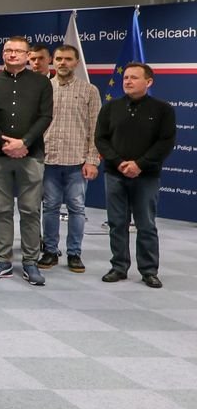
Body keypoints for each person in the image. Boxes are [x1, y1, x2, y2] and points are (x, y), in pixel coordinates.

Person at [0, 35, 53, 286]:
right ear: (3, 54)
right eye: (8, 50)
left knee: (30, 210)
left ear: (27, 55)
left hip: (31, 154)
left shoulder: (42, 82)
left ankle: (30, 262)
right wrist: (3, 142)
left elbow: (45, 116)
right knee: (2, 209)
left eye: (18, 51)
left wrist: (24, 142)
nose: (12, 54)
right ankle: (3, 260)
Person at [95, 63, 176, 289]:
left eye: (134, 78)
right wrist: (119, 162)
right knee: (117, 223)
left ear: (148, 82)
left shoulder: (163, 109)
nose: (128, 81)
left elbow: (166, 142)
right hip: (115, 173)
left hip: (146, 175)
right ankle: (119, 267)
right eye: (126, 78)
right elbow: (101, 138)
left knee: (146, 224)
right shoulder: (111, 107)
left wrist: (140, 164)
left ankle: (149, 271)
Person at [38, 44, 101, 274]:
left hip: (77, 161)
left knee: (76, 208)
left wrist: (92, 160)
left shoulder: (89, 90)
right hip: (48, 160)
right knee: (50, 207)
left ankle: (74, 253)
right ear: (53, 62)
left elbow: (96, 128)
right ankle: (50, 250)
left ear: (76, 62)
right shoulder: (43, 89)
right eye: (59, 59)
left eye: (67, 59)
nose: (63, 63)